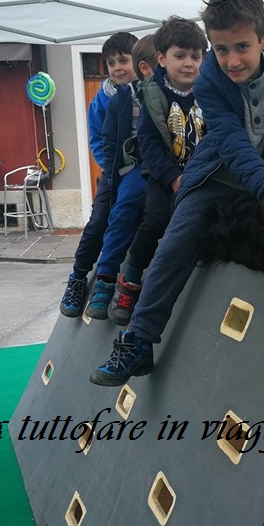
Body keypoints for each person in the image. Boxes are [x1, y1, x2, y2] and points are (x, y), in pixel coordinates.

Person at [91, 0, 264, 386]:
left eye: (242, 47)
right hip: (220, 172)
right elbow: (229, 142)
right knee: (175, 241)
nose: (231, 60)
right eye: (221, 49)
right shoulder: (208, 80)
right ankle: (139, 341)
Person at [107, 16, 208, 324]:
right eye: (180, 56)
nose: (189, 63)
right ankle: (129, 281)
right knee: (153, 224)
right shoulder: (152, 95)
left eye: (195, 56)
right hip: (164, 179)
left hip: (201, 179)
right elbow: (149, 145)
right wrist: (175, 179)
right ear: (162, 58)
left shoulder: (209, 94)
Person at [59, 33, 155, 318]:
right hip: (115, 170)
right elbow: (99, 141)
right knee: (99, 220)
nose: (117, 68)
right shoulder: (102, 100)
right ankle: (77, 277)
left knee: (129, 214)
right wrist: (114, 169)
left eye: (123, 60)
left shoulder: (150, 94)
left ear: (138, 62)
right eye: (111, 63)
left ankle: (111, 278)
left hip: (141, 170)